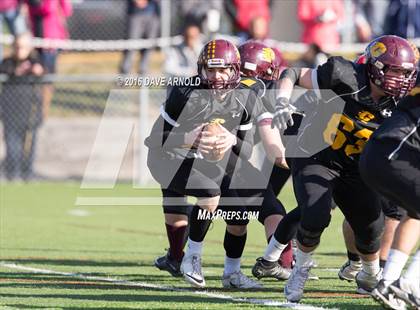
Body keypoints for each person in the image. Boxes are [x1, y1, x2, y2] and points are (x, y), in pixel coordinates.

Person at [262, 35, 418, 302]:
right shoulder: (344, 75)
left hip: (357, 167)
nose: (401, 79)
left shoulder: (401, 101)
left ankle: (369, 274)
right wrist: (281, 101)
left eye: (406, 73)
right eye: (394, 71)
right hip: (316, 156)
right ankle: (300, 270)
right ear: (373, 67)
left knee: (371, 229)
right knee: (315, 213)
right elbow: (292, 73)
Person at [146, 39, 283, 289]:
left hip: (211, 159)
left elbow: (246, 148)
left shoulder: (246, 96)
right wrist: (188, 138)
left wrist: (230, 138)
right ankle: (192, 257)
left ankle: (232, 274)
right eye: (211, 70)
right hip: (169, 159)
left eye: (223, 70)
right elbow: (153, 139)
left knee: (239, 215)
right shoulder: (186, 92)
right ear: (201, 70)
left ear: (235, 70)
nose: (217, 76)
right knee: (210, 193)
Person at [359, 74, 420, 309]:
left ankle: (387, 283)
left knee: (415, 214)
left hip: (378, 155)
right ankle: (408, 283)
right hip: (395, 155)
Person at [0, 32, 44, 181]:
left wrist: (37, 71)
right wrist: (16, 72)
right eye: (17, 47)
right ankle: (13, 173)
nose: (20, 51)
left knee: (29, 146)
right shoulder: (7, 63)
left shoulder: (35, 62)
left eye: (23, 47)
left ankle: (28, 173)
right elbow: (4, 71)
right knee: (12, 146)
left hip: (30, 113)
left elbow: (45, 74)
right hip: (11, 113)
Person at [120, 0, 160, 74]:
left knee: (148, 48)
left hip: (153, 15)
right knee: (131, 47)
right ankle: (123, 77)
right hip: (135, 14)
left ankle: (143, 78)